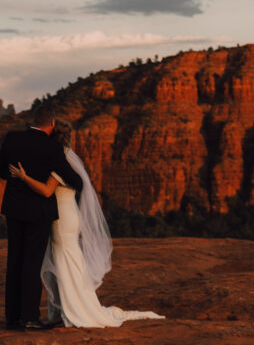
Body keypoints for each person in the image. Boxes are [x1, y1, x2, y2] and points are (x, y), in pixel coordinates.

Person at [9, 120, 164, 328]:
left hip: (62, 219)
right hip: (65, 216)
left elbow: (47, 191)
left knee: (66, 260)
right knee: (65, 259)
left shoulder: (59, 161)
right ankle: (65, 309)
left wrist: (24, 177)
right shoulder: (62, 158)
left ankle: (76, 309)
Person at [0, 105, 84, 330]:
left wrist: (18, 179)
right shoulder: (52, 148)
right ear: (51, 124)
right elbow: (75, 180)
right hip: (38, 212)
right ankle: (29, 317)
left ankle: (12, 318)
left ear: (33, 121)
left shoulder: (12, 138)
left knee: (14, 260)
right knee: (32, 262)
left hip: (14, 209)